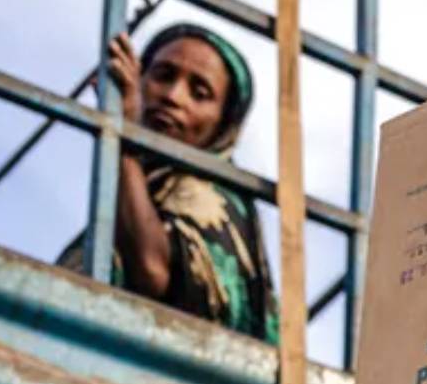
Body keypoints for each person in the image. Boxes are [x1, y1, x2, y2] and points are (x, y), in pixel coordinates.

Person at [59, 22, 276, 343]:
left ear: (224, 124)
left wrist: (124, 142)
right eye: (163, 76)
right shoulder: (138, 190)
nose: (174, 97)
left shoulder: (215, 200)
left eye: (199, 93)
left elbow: (152, 271)